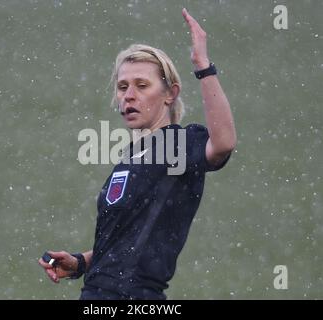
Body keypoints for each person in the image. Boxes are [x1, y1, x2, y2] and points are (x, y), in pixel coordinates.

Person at [38, 8, 237, 300]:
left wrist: (203, 66)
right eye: (122, 87)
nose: (128, 95)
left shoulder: (177, 145)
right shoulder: (132, 156)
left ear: (170, 93)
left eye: (142, 86)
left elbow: (223, 143)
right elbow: (128, 241)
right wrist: (82, 262)